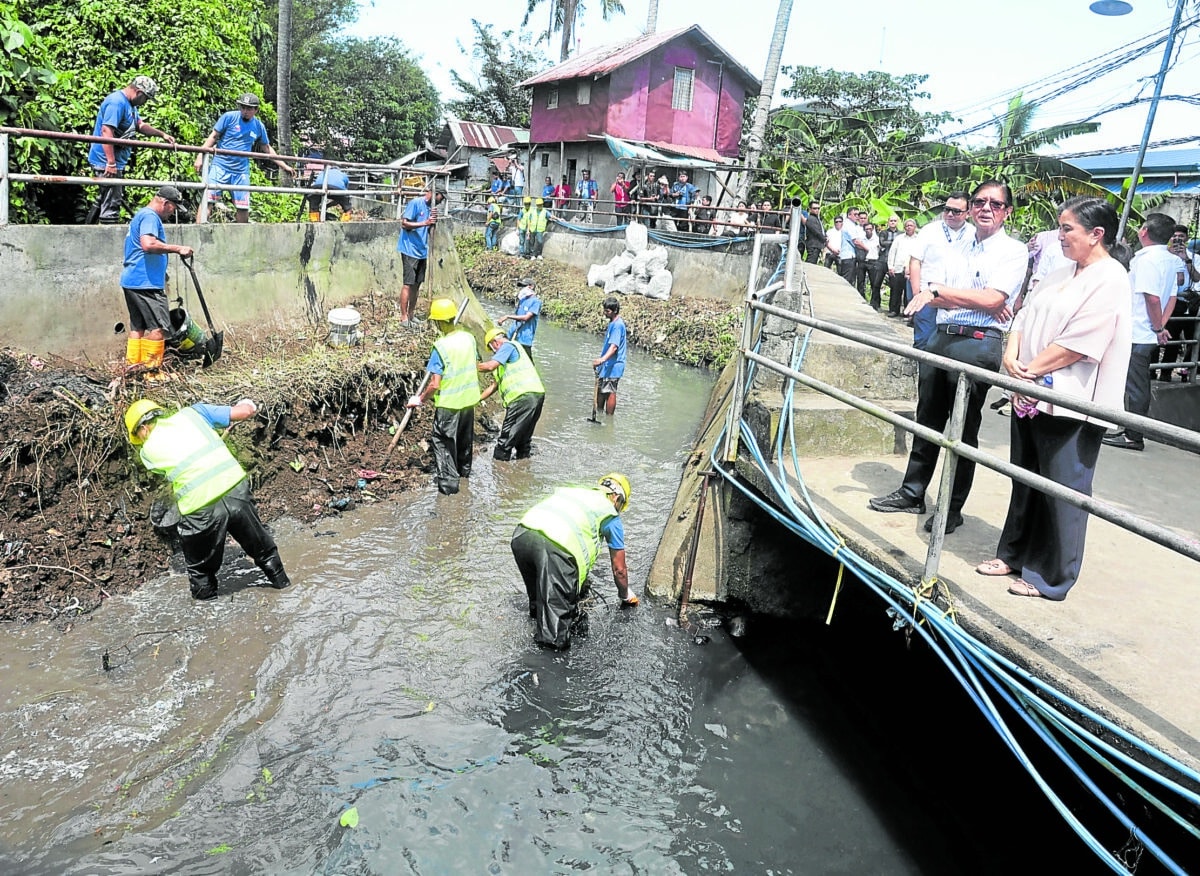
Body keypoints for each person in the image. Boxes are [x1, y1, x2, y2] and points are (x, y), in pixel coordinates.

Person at [977, 197, 1131, 600]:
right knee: (1025, 477)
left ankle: (1052, 576)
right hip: (1030, 391)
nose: (1059, 236)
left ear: (1096, 234)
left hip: (1070, 400)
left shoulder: (1111, 278)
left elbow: (1082, 342)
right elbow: (1024, 315)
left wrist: (1031, 369)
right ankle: (1013, 553)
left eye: (1067, 229)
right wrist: (1011, 355)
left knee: (1063, 488)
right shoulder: (1060, 271)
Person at [870, 180, 1028, 534]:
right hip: (942, 336)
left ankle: (951, 508)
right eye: (980, 202)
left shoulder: (1013, 251)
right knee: (927, 419)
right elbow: (937, 291)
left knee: (962, 429)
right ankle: (913, 492)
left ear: (1006, 212)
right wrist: (966, 296)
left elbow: (992, 299)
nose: (986, 209)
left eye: (995, 204)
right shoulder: (957, 245)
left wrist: (951, 293)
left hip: (977, 342)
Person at [124, 397, 291, 600]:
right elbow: (244, 412)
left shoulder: (147, 453)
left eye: (139, 437)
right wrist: (249, 403)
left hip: (200, 506)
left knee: (200, 570)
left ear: (143, 429)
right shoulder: (194, 413)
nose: (141, 441)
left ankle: (206, 608)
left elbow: (168, 469)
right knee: (263, 549)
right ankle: (284, 588)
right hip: (236, 490)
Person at [510, 474, 638, 650]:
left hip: (522, 534)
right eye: (621, 507)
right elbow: (619, 569)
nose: (619, 511)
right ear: (617, 498)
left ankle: (531, 641)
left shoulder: (577, 492)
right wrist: (625, 595)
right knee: (554, 638)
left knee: (539, 607)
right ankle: (544, 661)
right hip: (555, 548)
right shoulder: (610, 514)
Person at [1103, 213, 1179, 450]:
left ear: (1144, 231)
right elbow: (1172, 297)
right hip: (1148, 331)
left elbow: (1152, 298)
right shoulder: (1171, 260)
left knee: (1136, 385)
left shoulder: (1147, 260)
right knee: (1136, 382)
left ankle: (1133, 435)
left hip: (1137, 331)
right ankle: (1129, 429)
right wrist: (1160, 326)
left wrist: (1158, 327)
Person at [406, 297, 480, 495]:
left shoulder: (441, 346)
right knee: (464, 440)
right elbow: (474, 365)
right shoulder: (469, 338)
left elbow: (435, 384)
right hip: (469, 400)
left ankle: (449, 487)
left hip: (450, 404)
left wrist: (419, 400)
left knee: (443, 442)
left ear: (438, 322)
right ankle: (464, 475)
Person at [120, 185, 193, 373]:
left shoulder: (141, 215)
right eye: (173, 208)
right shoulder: (150, 217)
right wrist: (178, 248)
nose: (173, 212)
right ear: (165, 203)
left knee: (138, 327)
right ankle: (151, 373)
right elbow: (148, 244)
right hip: (146, 283)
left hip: (133, 281)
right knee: (159, 328)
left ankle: (132, 368)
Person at [87, 76, 174, 224]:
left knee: (105, 198)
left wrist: (162, 134)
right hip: (105, 161)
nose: (145, 102)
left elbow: (140, 125)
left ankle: (88, 230)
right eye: (146, 99)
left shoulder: (130, 105)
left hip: (114, 161)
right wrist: (111, 163)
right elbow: (106, 131)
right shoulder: (117, 102)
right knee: (111, 204)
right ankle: (109, 234)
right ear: (139, 93)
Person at [194, 93, 293, 224]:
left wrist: (284, 166)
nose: (245, 111)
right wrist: (200, 155)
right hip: (220, 166)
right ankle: (198, 229)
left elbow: (267, 148)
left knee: (243, 207)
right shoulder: (229, 117)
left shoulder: (258, 126)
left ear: (256, 110)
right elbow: (213, 137)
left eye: (249, 108)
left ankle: (240, 234)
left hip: (240, 171)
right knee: (208, 200)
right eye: (243, 107)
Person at [907, 194, 973, 349]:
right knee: (924, 342)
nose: (950, 214)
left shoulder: (973, 234)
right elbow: (915, 261)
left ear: (968, 213)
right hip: (927, 297)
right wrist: (917, 294)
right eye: (947, 209)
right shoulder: (930, 231)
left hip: (954, 299)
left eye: (956, 211)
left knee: (948, 345)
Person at [478, 327, 545, 461]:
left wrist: (470, 366)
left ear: (495, 342)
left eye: (492, 348)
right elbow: (494, 386)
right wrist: (476, 399)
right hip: (536, 395)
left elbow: (489, 366)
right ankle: (523, 467)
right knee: (524, 439)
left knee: (506, 440)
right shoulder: (507, 360)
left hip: (522, 398)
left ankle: (499, 467)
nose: (493, 352)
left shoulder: (508, 346)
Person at [396, 185, 445, 327]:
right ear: (435, 193)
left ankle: (411, 314)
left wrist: (432, 223)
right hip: (410, 249)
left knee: (417, 284)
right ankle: (404, 317)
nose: (441, 201)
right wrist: (425, 222)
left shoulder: (431, 209)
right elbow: (404, 224)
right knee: (408, 283)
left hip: (422, 250)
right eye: (441, 198)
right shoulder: (416, 203)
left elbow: (428, 229)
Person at [592, 296, 627, 416]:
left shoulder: (617, 325)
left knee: (610, 391)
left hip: (613, 365)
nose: (605, 313)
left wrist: (602, 360)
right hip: (607, 364)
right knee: (602, 390)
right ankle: (599, 414)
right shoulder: (613, 323)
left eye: (607, 311)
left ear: (614, 311)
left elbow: (614, 347)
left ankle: (609, 418)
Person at [498, 277, 542, 362]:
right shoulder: (522, 300)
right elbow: (517, 316)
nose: (522, 289)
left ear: (531, 286)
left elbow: (526, 317)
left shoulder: (536, 302)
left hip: (525, 337)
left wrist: (507, 316)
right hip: (514, 334)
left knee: (528, 361)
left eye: (524, 286)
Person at [886, 218, 919, 317]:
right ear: (904, 227)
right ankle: (894, 310)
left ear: (915, 227)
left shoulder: (919, 239)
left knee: (908, 292)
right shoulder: (899, 238)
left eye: (911, 225)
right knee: (895, 290)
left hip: (911, 270)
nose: (909, 227)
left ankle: (907, 312)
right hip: (898, 268)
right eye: (907, 226)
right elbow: (892, 252)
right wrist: (890, 266)